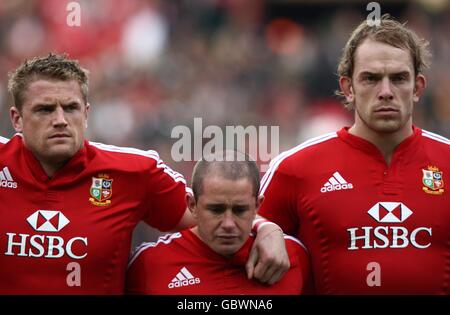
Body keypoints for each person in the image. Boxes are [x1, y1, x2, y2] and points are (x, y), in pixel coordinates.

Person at [0, 53, 288, 294]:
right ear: (17, 119)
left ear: (86, 113)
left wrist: (266, 228)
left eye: (71, 108)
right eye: (45, 110)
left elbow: (210, 213)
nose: (60, 120)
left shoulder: (133, 171)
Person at [258, 15, 450, 294]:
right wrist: (264, 227)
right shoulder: (295, 168)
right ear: (348, 88)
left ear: (418, 87)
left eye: (398, 78)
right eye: (371, 78)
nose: (386, 92)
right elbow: (233, 237)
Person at [126, 151, 310, 294]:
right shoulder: (148, 264)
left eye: (240, 210)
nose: (228, 224)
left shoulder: (292, 256)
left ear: (257, 205)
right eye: (216, 209)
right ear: (192, 204)